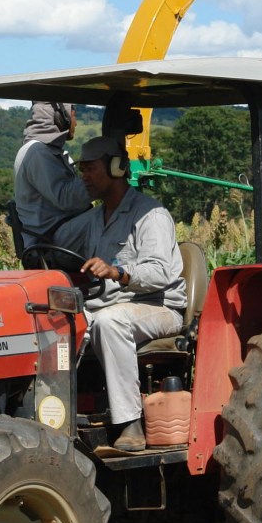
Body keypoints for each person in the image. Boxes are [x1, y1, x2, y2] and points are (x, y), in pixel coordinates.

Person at [55, 134, 185, 452]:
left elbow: (159, 274)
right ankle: (59, 416)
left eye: (90, 169)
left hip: (157, 307)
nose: (84, 176)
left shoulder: (151, 216)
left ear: (117, 167)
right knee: (55, 323)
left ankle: (130, 423)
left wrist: (118, 272)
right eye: (81, 169)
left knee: (110, 322)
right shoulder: (94, 218)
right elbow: (59, 242)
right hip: (110, 305)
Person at [12, 101, 90, 247]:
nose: (76, 123)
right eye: (74, 115)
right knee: (112, 218)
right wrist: (99, 180)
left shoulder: (51, 152)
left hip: (60, 232)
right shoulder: (38, 152)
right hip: (51, 239)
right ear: (61, 117)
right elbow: (66, 199)